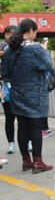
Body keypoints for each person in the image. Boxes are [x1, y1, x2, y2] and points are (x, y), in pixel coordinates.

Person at [1, 19, 53, 173]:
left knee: (22, 127)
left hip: (17, 93)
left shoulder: (10, 49)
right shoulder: (36, 47)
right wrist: (44, 50)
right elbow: (47, 65)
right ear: (30, 31)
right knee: (36, 126)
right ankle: (38, 161)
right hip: (35, 94)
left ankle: (26, 161)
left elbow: (4, 73)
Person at [0, 25, 18, 154]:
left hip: (20, 85)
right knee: (9, 117)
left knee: (23, 117)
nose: (10, 36)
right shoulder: (1, 47)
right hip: (5, 86)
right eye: (8, 33)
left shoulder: (22, 46)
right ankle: (11, 143)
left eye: (13, 33)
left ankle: (27, 141)